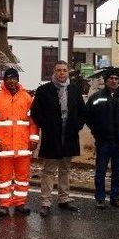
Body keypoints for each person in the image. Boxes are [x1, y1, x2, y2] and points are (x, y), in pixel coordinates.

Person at [30, 60, 86, 217]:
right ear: (54, 72)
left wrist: (77, 125)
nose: (62, 73)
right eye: (58, 70)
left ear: (68, 72)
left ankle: (64, 199)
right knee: (48, 171)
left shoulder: (74, 89)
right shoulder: (43, 90)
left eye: (64, 70)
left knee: (65, 170)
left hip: (69, 136)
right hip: (52, 137)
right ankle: (45, 203)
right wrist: (46, 126)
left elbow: (82, 111)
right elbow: (35, 112)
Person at [0, 68, 38, 217]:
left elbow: (33, 121)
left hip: (23, 146)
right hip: (4, 147)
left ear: (17, 79)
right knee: (4, 178)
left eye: (13, 78)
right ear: (4, 80)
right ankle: (4, 205)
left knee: (22, 178)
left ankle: (20, 204)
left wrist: (34, 139)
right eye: (8, 78)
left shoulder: (27, 98)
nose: (11, 81)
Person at [85, 69, 119, 209]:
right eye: (111, 78)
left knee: (117, 171)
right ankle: (100, 198)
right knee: (101, 170)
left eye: (116, 78)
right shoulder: (96, 97)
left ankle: (115, 197)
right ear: (106, 81)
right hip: (103, 141)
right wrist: (96, 131)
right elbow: (87, 116)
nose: (113, 80)